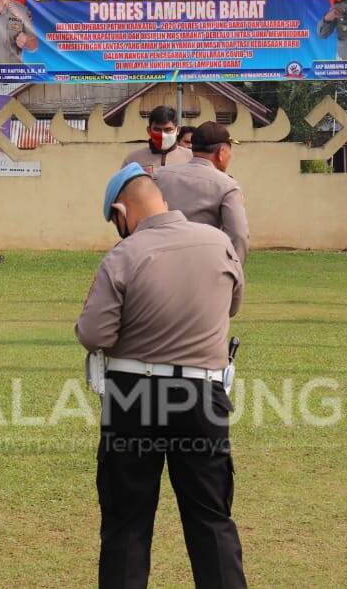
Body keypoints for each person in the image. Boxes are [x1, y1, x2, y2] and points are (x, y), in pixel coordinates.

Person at [76, 164, 247, 588]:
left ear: (121, 210)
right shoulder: (219, 244)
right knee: (211, 517)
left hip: (134, 396)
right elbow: (232, 306)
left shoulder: (124, 254)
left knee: (127, 521)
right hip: (202, 395)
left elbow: (94, 333)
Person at [153, 120, 249, 264]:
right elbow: (239, 235)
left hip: (160, 263)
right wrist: (234, 271)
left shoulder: (160, 176)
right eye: (230, 150)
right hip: (205, 265)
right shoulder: (227, 186)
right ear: (221, 152)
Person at [121, 104, 193, 174]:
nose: (163, 135)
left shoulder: (191, 157)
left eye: (168, 129)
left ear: (178, 130)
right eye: (157, 129)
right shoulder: (133, 159)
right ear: (149, 131)